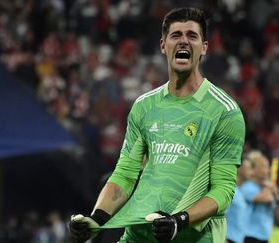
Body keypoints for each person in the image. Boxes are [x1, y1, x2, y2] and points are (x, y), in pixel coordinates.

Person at [69, 7, 246, 243]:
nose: (184, 41)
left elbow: (223, 190)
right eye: (176, 35)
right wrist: (97, 219)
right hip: (140, 234)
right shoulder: (144, 106)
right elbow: (125, 174)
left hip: (192, 237)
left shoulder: (225, 111)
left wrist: (179, 220)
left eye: (192, 36)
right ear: (163, 45)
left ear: (204, 47)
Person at [240, 150, 278, 243]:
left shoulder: (265, 188)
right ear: (254, 170)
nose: (267, 170)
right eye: (264, 167)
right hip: (250, 235)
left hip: (264, 235)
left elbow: (275, 207)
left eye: (268, 167)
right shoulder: (248, 186)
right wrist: (270, 188)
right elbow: (267, 198)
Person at [226, 158, 253, 243]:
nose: (252, 172)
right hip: (228, 238)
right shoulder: (231, 190)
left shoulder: (240, 191)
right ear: (239, 169)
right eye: (249, 169)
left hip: (238, 239)